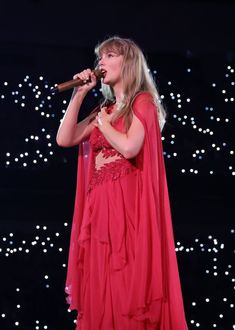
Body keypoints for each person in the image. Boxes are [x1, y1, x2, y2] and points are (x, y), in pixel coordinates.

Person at [56, 36, 188, 330]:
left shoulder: (143, 102)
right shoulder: (103, 108)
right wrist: (79, 95)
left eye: (110, 55)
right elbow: (64, 139)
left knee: (125, 281)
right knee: (101, 286)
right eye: (100, 57)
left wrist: (102, 124)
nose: (101, 62)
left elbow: (130, 148)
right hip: (99, 209)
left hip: (127, 208)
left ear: (127, 62)